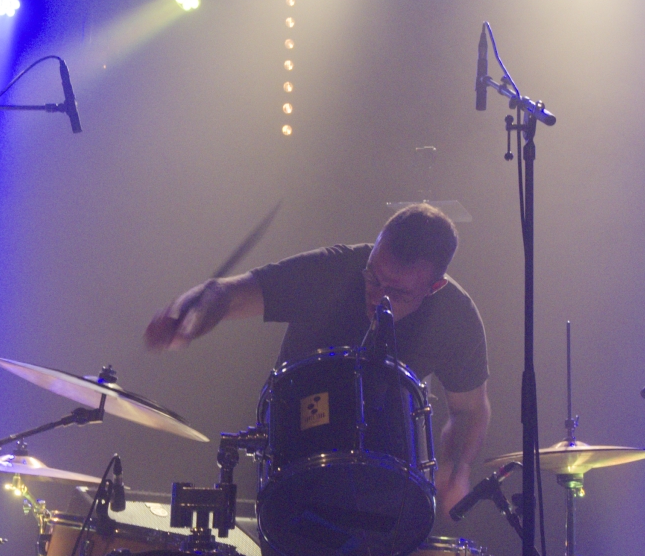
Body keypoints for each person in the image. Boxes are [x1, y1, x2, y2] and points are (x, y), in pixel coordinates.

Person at [145, 203, 490, 514]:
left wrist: (456, 466)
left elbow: (469, 410)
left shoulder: (455, 317)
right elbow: (228, 292)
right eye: (373, 277)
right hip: (292, 465)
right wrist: (190, 312)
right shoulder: (333, 270)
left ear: (434, 287)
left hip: (384, 489)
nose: (377, 296)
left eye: (397, 293)